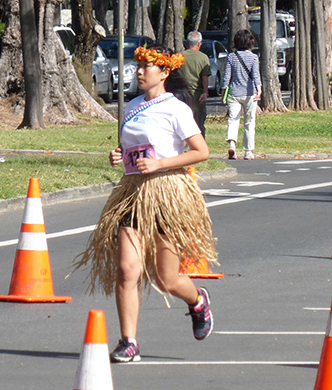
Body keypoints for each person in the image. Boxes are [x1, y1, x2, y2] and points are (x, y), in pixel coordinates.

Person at [72, 43, 218, 363]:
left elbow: (201, 152)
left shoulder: (176, 108)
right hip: (132, 194)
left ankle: (197, 301)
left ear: (164, 72)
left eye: (146, 66)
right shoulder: (132, 106)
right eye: (138, 65)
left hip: (166, 194)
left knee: (167, 279)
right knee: (127, 269)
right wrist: (117, 156)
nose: (139, 71)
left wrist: (160, 165)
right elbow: (132, 149)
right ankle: (129, 341)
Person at [221, 29, 262, 160]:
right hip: (250, 93)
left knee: (233, 119)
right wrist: (259, 89)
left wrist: (223, 92)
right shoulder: (253, 57)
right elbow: (256, 75)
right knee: (249, 122)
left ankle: (232, 145)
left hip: (234, 92)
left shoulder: (231, 57)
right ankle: (248, 151)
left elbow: (227, 76)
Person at [179, 31, 211, 138]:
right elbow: (205, 77)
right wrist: (205, 92)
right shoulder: (203, 58)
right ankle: (199, 147)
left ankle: (184, 147)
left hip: (182, 94)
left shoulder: (180, 56)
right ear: (199, 43)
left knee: (183, 122)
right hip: (197, 95)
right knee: (198, 122)